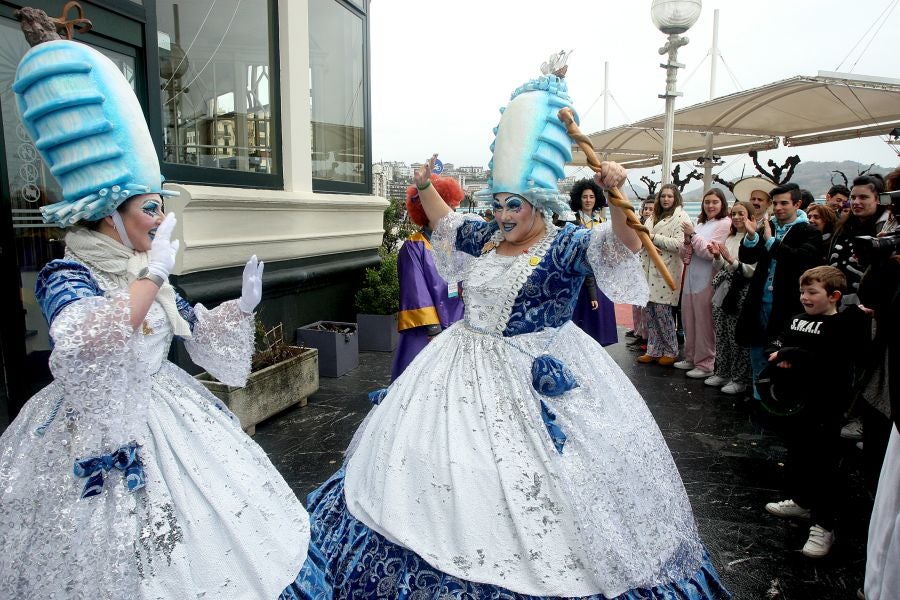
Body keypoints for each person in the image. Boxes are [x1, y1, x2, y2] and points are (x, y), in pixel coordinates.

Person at [303, 59, 730, 599]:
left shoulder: (568, 243)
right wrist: (423, 186)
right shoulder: (482, 237)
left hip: (535, 373)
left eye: (514, 206)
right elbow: (444, 223)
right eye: (498, 204)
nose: (503, 215)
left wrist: (618, 195)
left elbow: (619, 245)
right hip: (458, 367)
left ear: (540, 203)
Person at [0, 38, 322, 598]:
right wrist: (151, 278)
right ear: (108, 214)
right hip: (94, 430)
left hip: (166, 411)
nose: (161, 219)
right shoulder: (66, 275)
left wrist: (241, 307)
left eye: (160, 206)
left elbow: (195, 333)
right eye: (150, 207)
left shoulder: (148, 268)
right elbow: (85, 343)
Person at [763, 267, 869, 558]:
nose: (805, 298)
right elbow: (779, 340)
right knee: (798, 456)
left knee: (823, 465)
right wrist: (777, 352)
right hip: (796, 405)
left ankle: (823, 525)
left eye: (813, 292)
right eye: (802, 292)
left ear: (834, 296)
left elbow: (829, 360)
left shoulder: (841, 326)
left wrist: (790, 356)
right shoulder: (797, 320)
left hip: (826, 406)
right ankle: (801, 500)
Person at [736, 182, 823, 400]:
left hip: (788, 304)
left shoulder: (809, 231)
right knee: (757, 350)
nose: (778, 208)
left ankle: (781, 400)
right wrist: (751, 237)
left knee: (783, 353)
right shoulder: (768, 225)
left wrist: (771, 242)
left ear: (797, 203)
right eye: (775, 203)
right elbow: (747, 257)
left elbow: (801, 259)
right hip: (760, 299)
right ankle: (759, 396)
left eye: (784, 203)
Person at [391, 176, 466, 381]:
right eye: (443, 207)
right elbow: (415, 291)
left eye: (451, 208)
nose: (450, 214)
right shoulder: (414, 247)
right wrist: (432, 330)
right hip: (426, 333)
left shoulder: (458, 244)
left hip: (458, 326)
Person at [675, 188, 732, 378]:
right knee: (689, 320)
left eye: (715, 202)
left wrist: (694, 235)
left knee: (705, 323)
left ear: (722, 204)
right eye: (707, 202)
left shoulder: (724, 223)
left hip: (707, 279)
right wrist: (686, 240)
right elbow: (685, 255)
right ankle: (691, 357)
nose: (710, 205)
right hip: (691, 279)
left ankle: (706, 363)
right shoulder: (701, 223)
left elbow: (709, 252)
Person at [637, 184, 693, 366]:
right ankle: (654, 349)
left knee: (663, 313)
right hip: (647, 269)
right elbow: (642, 237)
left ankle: (670, 349)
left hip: (666, 270)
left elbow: (679, 244)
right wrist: (648, 241)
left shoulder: (682, 217)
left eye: (669, 196)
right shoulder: (653, 216)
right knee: (650, 313)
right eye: (663, 196)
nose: (666, 199)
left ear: (676, 197)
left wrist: (653, 238)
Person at [706, 200, 756, 395]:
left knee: (736, 336)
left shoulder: (754, 239)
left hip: (741, 290)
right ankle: (722, 371)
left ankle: (739, 378)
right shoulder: (731, 237)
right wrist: (718, 257)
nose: (736, 217)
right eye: (733, 214)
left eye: (740, 213)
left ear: (750, 216)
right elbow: (722, 267)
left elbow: (751, 271)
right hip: (724, 288)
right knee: (721, 332)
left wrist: (730, 261)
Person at [569, 178, 619, 346]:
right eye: (584, 197)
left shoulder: (603, 222)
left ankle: (598, 348)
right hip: (578, 275)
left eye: (591, 197)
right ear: (578, 199)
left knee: (599, 316)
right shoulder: (571, 221)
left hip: (600, 274)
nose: (588, 200)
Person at [828, 174, 890, 305]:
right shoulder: (843, 227)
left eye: (863, 197)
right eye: (853, 197)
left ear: (878, 199)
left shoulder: (886, 230)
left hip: (872, 305)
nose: (856, 202)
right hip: (836, 302)